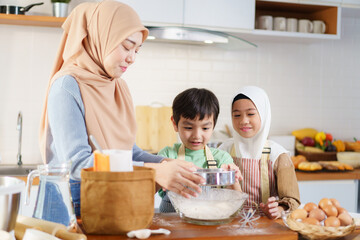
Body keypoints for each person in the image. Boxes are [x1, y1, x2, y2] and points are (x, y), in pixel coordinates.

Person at [39, 1, 204, 221]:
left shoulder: (117, 86)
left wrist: (166, 164)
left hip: (108, 198)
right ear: (100, 36)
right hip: (70, 204)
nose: (132, 58)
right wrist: (152, 172)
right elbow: (77, 165)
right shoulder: (67, 86)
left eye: (137, 50)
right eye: (126, 46)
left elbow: (128, 152)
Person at [218, 86, 300, 219]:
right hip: (227, 225)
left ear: (263, 114)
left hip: (266, 229)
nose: (243, 120)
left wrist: (278, 210)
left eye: (250, 114)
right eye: (237, 115)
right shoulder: (223, 150)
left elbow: (292, 200)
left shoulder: (278, 155)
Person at [157, 88, 242, 213]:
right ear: (175, 124)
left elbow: (236, 201)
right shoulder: (167, 155)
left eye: (205, 128)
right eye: (188, 127)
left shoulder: (221, 158)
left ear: (213, 126)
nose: (196, 135)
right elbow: (149, 191)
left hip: (207, 224)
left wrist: (232, 177)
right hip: (172, 225)